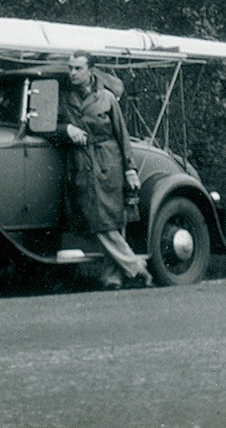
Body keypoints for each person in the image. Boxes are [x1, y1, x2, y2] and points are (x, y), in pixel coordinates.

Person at [57, 51, 153, 290]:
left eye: (78, 69)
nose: (72, 73)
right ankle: (136, 265)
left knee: (112, 217)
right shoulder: (63, 98)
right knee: (97, 218)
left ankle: (112, 278)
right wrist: (66, 129)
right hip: (80, 162)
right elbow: (46, 125)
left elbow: (122, 136)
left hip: (109, 162)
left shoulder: (107, 98)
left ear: (91, 70)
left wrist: (130, 169)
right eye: (70, 68)